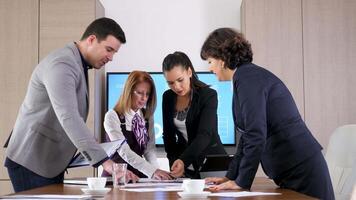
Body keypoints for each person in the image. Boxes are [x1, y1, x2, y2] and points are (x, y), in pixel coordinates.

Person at [4, 17, 138, 192]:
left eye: (114, 52)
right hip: (32, 160)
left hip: (49, 161)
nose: (111, 58)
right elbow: (69, 117)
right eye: (109, 49)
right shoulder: (63, 64)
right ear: (91, 40)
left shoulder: (77, 63)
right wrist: (107, 164)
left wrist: (91, 142)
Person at [200, 28, 335, 199]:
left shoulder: (248, 78)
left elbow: (256, 134)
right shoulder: (245, 77)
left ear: (222, 58)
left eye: (210, 61)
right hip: (291, 170)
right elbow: (247, 136)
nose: (210, 68)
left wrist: (242, 182)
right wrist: (231, 177)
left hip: (302, 170)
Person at [162, 51, 227, 179]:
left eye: (180, 80)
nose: (177, 87)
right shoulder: (168, 97)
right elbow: (168, 136)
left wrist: (183, 161)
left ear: (189, 72)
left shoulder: (208, 95)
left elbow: (205, 134)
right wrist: (174, 165)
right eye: (170, 83)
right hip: (186, 167)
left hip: (212, 163)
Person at [102, 71, 172, 180]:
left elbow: (149, 150)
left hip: (138, 177)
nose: (144, 98)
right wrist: (152, 171)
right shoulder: (112, 116)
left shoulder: (147, 116)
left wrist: (157, 175)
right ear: (129, 91)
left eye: (147, 94)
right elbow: (124, 151)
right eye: (139, 92)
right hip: (116, 176)